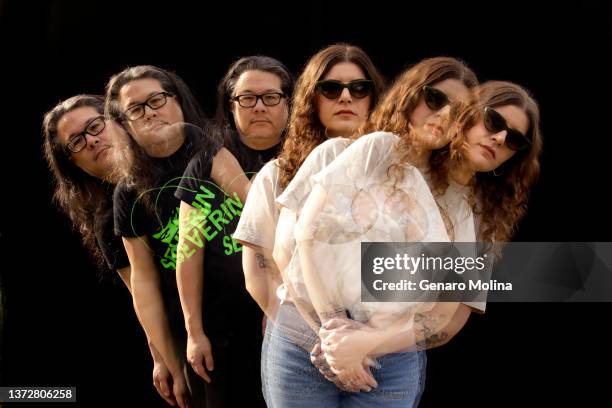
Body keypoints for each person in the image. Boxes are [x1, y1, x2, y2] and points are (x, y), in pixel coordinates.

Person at [296, 80, 542, 406]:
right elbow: (297, 241)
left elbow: (449, 321)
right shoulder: (385, 154)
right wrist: (332, 333)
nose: (499, 138)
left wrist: (365, 344)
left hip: (389, 359)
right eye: (494, 121)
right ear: (465, 114)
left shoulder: (480, 218)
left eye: (515, 140)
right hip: (311, 333)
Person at [232, 43, 384, 407]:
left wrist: (369, 340)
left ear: (373, 98)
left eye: (359, 88)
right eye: (331, 88)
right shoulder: (278, 174)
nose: (346, 97)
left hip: (383, 349)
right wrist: (318, 337)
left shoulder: (396, 174)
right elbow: (259, 271)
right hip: (299, 345)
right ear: (312, 99)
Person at [106, 65, 247, 407]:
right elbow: (144, 284)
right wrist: (172, 361)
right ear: (124, 124)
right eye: (136, 109)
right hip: (205, 336)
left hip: (255, 312)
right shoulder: (129, 192)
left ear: (178, 100)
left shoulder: (223, 149)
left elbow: (266, 223)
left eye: (157, 100)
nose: (150, 112)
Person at [42, 94, 178, 406]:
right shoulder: (107, 223)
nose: (91, 141)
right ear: (72, 162)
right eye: (76, 141)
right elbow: (141, 292)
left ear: (117, 121)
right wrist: (161, 358)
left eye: (95, 126)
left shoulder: (176, 163)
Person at [173, 55, 293, 407]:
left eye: (271, 97)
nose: (259, 107)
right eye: (247, 98)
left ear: (288, 102)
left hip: (295, 321)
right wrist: (194, 332)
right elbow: (188, 248)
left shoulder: (307, 156)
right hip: (224, 328)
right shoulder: (206, 161)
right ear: (232, 105)